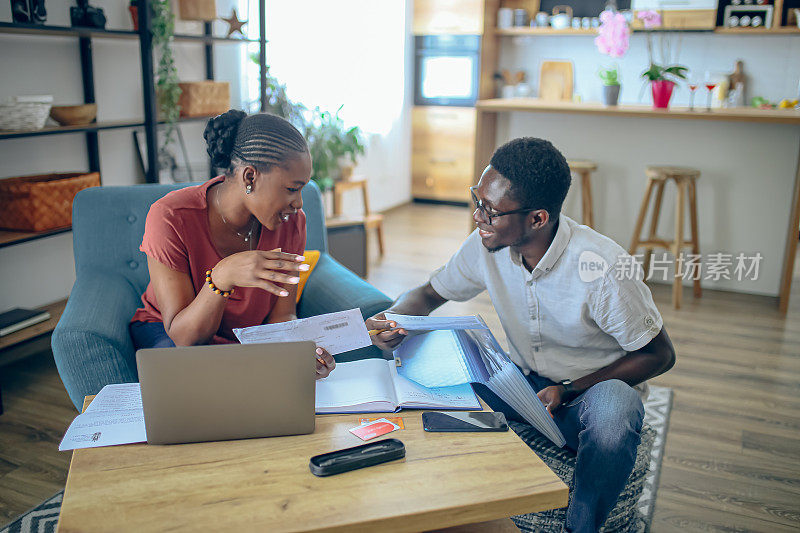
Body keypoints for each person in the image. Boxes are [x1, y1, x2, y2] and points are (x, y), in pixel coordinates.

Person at [367, 137, 675, 532]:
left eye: (490, 210)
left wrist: (570, 389)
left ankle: (581, 527)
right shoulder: (485, 245)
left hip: (587, 396)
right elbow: (429, 294)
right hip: (522, 385)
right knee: (437, 352)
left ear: (537, 219)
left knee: (617, 409)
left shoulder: (603, 267)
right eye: (477, 200)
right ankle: (439, 498)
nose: (478, 216)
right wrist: (393, 320)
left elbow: (660, 354)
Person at [130, 110, 336, 379]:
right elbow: (184, 338)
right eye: (291, 189)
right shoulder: (170, 217)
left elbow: (282, 316)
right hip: (173, 337)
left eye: (302, 189)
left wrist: (300, 352)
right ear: (250, 177)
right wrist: (221, 277)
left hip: (246, 340)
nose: (298, 203)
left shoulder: (293, 223)